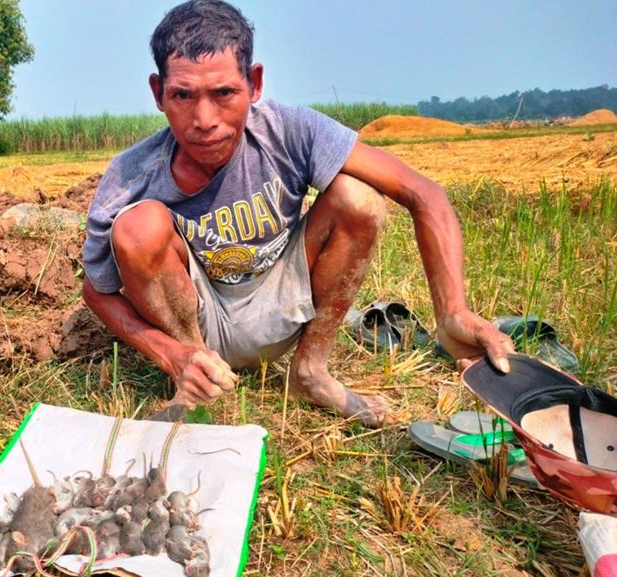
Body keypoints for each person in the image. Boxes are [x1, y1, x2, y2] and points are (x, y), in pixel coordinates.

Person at [82, 0, 514, 427]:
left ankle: (310, 372)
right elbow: (96, 291)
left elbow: (423, 193)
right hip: (198, 320)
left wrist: (453, 311)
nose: (204, 119)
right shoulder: (131, 172)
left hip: (281, 302)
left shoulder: (289, 132)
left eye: (225, 93)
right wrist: (172, 354)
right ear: (159, 93)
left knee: (357, 197)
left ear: (254, 83)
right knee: (138, 227)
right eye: (182, 96)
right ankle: (199, 381)